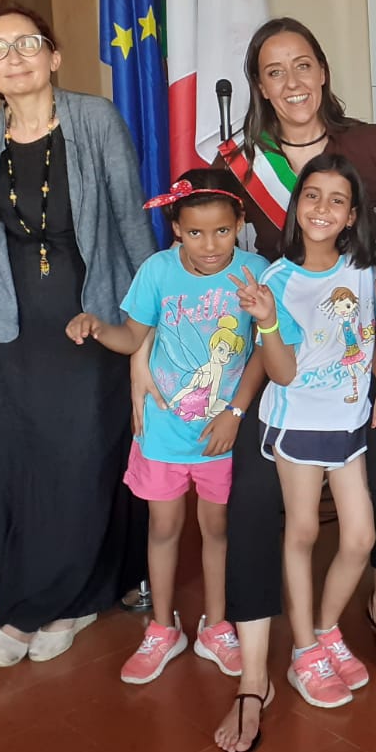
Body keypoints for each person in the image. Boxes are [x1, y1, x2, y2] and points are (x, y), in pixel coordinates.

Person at [209, 18, 376, 752]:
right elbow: (211, 255)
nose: (292, 81)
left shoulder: (364, 148)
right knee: (269, 511)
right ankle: (276, 655)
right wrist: (238, 396)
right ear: (259, 85)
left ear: (324, 72)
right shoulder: (239, 163)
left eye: (304, 65)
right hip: (283, 388)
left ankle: (364, 616)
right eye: (274, 70)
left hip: (355, 392)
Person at [0, 0, 155, 668]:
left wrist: (142, 322)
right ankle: (22, 604)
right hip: (10, 329)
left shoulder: (94, 120)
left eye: (26, 43)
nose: (12, 58)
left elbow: (130, 221)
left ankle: (71, 600)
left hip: (89, 318)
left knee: (81, 459)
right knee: (21, 466)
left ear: (54, 55)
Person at [64, 170, 270, 686]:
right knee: (163, 527)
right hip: (162, 433)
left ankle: (217, 626)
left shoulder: (256, 272)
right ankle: (162, 628)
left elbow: (266, 350)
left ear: (240, 223)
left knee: (217, 530)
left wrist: (234, 414)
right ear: (176, 228)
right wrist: (97, 326)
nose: (210, 245)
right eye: (195, 232)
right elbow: (133, 335)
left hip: (222, 434)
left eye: (222, 231)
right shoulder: (156, 272)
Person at [232, 154, 376, 713]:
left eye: (337, 199)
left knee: (359, 538)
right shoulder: (276, 279)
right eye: (312, 195)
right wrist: (265, 320)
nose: (322, 208)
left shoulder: (365, 268)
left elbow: (365, 337)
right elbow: (280, 372)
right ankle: (303, 649)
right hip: (297, 426)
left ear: (353, 212)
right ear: (296, 204)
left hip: (349, 426)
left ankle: (327, 629)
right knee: (303, 530)